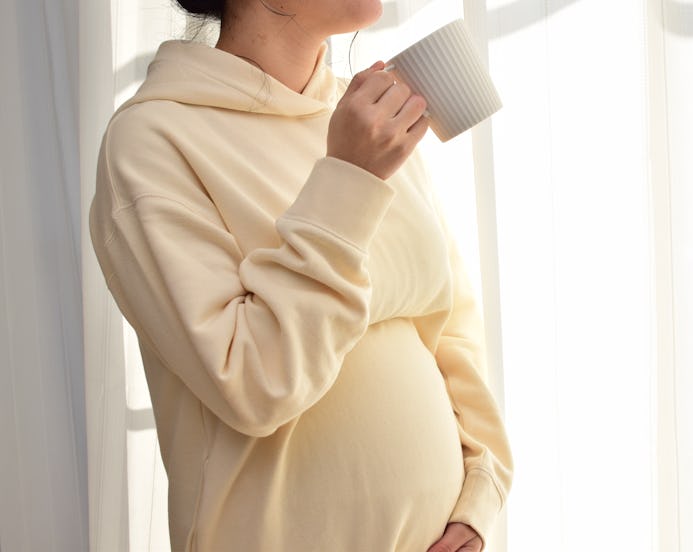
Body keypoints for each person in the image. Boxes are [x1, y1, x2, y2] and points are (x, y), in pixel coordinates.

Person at [89, 0, 512, 550]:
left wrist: (481, 492)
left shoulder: (361, 115)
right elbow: (255, 384)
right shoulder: (152, 141)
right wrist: (349, 177)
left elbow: (451, 323)